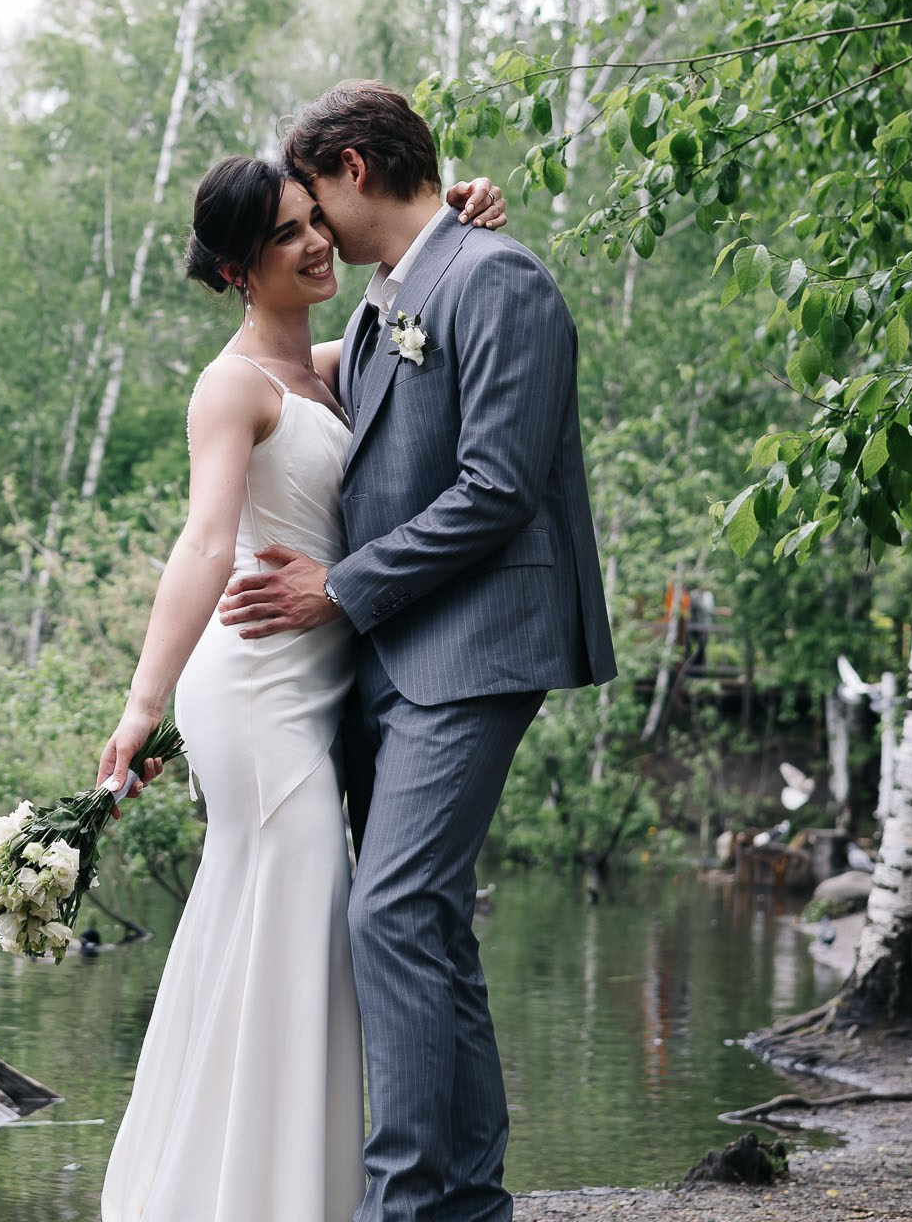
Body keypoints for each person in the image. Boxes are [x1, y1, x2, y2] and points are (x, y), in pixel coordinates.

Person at [213, 80, 617, 1222]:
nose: (311, 234)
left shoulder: (500, 279)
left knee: (388, 909)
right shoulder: (403, 293)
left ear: (350, 166)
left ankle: (410, 1206)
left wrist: (340, 586)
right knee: (426, 920)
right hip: (395, 655)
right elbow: (288, 378)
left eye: (309, 206)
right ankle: (466, 1199)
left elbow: (499, 486)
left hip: (479, 642)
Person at [95, 141, 510, 1222]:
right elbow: (202, 545)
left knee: (290, 936)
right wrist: (142, 709)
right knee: (293, 931)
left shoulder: (324, 365)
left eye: (312, 218)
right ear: (237, 268)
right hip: (255, 689)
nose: (317, 241)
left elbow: (407, 299)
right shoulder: (230, 385)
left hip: (317, 694)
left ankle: (262, 1191)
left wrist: (454, 206)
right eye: (285, 233)